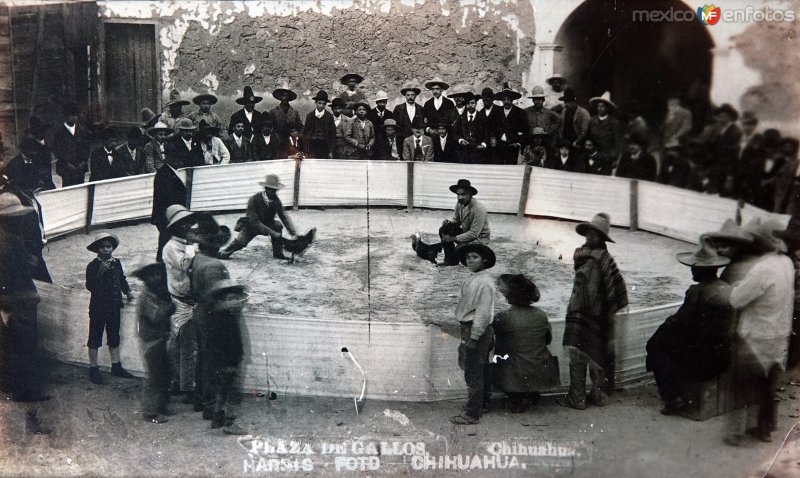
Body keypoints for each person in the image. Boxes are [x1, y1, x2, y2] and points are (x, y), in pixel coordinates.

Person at [645, 237, 734, 415]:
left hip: (705, 358)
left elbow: (680, 322)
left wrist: (660, 333)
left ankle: (672, 398)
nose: (692, 270)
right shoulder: (726, 288)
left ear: (701, 270)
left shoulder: (697, 291)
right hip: (724, 352)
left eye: (694, 267)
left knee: (656, 349)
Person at [725, 218, 794, 446]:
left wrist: (735, 286)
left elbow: (736, 300)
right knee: (767, 386)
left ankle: (735, 432)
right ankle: (764, 430)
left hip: (756, 335)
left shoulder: (761, 268)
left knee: (742, 386)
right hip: (780, 333)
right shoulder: (786, 263)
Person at [558, 212, 628, 410]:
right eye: (589, 232)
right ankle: (597, 395)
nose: (590, 236)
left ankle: (578, 397)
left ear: (602, 238)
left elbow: (593, 288)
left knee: (581, 354)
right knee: (594, 353)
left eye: (595, 234)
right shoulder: (594, 256)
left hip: (586, 313)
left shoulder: (598, 260)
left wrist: (586, 308)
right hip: (596, 314)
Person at [0, 192, 51, 403]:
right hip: (17, 300)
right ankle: (25, 391)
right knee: (24, 347)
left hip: (14, 299)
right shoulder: (8, 242)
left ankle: (9, 385)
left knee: (11, 347)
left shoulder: (11, 238)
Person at [186, 214, 232, 421]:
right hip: (212, 315)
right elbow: (219, 295)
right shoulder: (214, 265)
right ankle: (208, 404)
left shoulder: (197, 259)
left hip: (199, 310)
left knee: (202, 357)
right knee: (211, 360)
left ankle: (199, 399)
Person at [492, 274, 559, 414]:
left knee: (502, 352)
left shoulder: (502, 317)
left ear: (509, 296)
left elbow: (495, 341)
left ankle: (517, 396)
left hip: (516, 372)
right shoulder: (541, 314)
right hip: (541, 370)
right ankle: (531, 393)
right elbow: (548, 340)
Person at [450, 243, 496, 425]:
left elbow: (483, 313)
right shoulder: (475, 278)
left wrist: (474, 337)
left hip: (476, 329)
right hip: (471, 327)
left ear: (484, 259)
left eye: (475, 257)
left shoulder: (484, 283)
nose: (470, 260)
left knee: (473, 371)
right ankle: (482, 404)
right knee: (479, 368)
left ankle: (472, 413)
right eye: (468, 257)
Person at [84, 232, 136, 385]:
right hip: (98, 308)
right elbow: (90, 286)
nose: (106, 250)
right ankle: (93, 368)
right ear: (97, 250)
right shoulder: (92, 266)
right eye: (102, 247)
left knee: (114, 336)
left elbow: (122, 279)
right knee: (95, 337)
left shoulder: (117, 263)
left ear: (113, 248)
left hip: (113, 306)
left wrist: (128, 291)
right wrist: (100, 271)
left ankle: (116, 365)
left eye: (109, 247)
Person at [161, 205, 200, 403]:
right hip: (180, 301)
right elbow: (186, 264)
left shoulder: (184, 245)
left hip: (188, 299)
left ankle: (179, 382)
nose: (188, 227)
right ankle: (185, 387)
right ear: (175, 227)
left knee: (182, 346)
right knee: (184, 347)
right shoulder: (171, 248)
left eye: (188, 224)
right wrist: (193, 247)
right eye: (183, 224)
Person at [132, 262, 175, 424]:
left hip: (159, 339)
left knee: (165, 373)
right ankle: (150, 411)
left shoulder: (155, 294)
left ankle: (161, 405)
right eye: (151, 275)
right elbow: (156, 316)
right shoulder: (146, 297)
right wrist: (170, 307)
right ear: (145, 279)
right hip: (151, 341)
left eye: (158, 275)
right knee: (155, 376)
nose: (156, 278)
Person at [218, 174, 298, 260]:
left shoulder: (276, 201)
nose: (274, 192)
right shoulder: (254, 199)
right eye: (271, 190)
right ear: (266, 189)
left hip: (267, 223)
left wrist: (293, 233)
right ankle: (224, 253)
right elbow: (255, 222)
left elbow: (284, 216)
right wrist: (273, 233)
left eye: (275, 190)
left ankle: (278, 253)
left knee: (278, 225)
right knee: (241, 242)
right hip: (251, 225)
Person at [205, 279, 249, 435]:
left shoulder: (221, 315)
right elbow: (219, 344)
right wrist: (227, 363)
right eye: (229, 299)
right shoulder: (223, 318)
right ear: (221, 300)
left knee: (222, 391)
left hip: (224, 361)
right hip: (227, 362)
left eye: (235, 298)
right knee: (232, 392)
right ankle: (229, 422)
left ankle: (217, 417)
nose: (234, 301)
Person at [437, 179, 490, 267]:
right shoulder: (459, 204)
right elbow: (457, 222)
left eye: (463, 194)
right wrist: (449, 223)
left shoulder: (479, 209)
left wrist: (454, 238)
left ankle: (460, 257)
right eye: (458, 194)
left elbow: (474, 233)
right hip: (467, 233)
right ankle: (450, 261)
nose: (460, 197)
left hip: (479, 238)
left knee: (459, 249)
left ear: (470, 194)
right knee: (444, 230)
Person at [151, 145, 187, 262]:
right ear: (169, 158)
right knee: (166, 240)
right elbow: (164, 198)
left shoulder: (171, 172)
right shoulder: (163, 174)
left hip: (171, 213)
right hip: (166, 214)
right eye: (177, 158)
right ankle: (161, 261)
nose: (180, 161)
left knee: (168, 240)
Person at [704, 104, 743, 196]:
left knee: (716, 191)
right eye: (720, 116)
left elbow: (730, 151)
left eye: (723, 116)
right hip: (715, 164)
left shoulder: (735, 131)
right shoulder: (719, 128)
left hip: (724, 166)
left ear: (730, 117)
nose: (721, 119)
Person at [51, 104, 90, 188]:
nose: (75, 117)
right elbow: (57, 150)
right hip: (66, 169)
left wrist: (83, 161)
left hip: (80, 168)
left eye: (76, 115)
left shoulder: (81, 131)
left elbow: (86, 147)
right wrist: (66, 163)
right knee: (68, 190)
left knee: (80, 190)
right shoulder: (59, 132)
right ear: (66, 117)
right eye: (72, 115)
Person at [495, 84, 529, 165]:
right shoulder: (497, 112)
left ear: (512, 99)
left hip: (512, 147)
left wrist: (518, 143)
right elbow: (493, 128)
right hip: (499, 147)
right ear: (502, 100)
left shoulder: (520, 113)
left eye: (508, 99)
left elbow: (526, 131)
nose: (506, 101)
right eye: (504, 99)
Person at [587, 92, 623, 167]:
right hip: (593, 154)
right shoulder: (592, 120)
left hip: (606, 157)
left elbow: (617, 143)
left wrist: (614, 158)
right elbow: (587, 135)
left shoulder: (614, 123)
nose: (600, 108)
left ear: (607, 108)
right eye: (598, 106)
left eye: (602, 106)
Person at [452, 93, 489, 164]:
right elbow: (454, 132)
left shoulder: (482, 117)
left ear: (476, 104)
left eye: (472, 103)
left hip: (478, 152)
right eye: (468, 104)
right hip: (464, 152)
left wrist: (483, 145)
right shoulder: (461, 117)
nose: (470, 106)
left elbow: (487, 133)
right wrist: (460, 140)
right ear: (465, 105)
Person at [303, 90, 336, 159]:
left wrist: (331, 151)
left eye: (324, 104)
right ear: (315, 102)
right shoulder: (310, 116)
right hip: (312, 146)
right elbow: (305, 134)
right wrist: (306, 150)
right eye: (319, 103)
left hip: (324, 147)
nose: (321, 106)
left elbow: (332, 135)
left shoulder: (329, 116)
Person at [270, 85, 303, 151]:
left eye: (287, 96)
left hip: (291, 143)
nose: (285, 98)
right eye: (283, 96)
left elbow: (300, 127)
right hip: (277, 142)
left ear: (289, 98)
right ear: (280, 97)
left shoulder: (295, 112)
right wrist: (275, 137)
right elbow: (270, 127)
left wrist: (297, 137)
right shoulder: (273, 112)